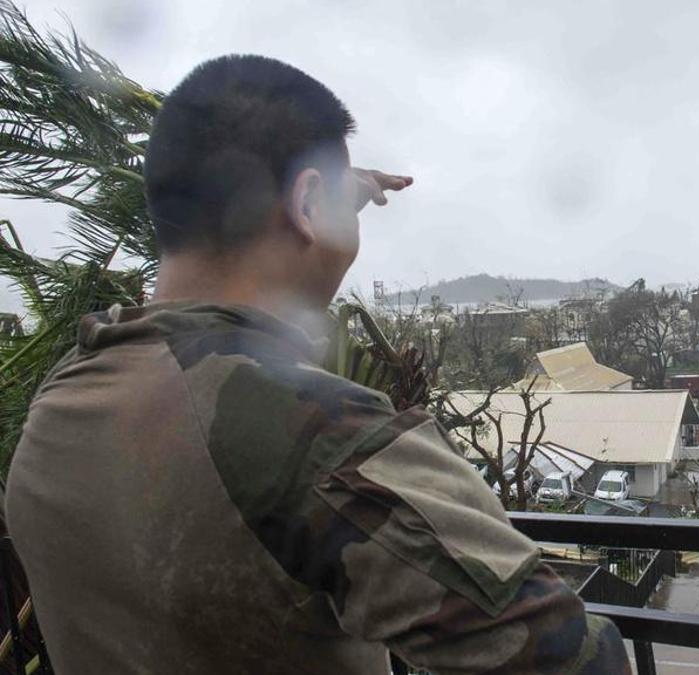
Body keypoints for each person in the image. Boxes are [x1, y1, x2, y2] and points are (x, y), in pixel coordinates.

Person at [4, 55, 630, 674]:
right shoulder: (317, 431)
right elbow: (568, 659)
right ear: (306, 207)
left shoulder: (64, 398)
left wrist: (326, 192)